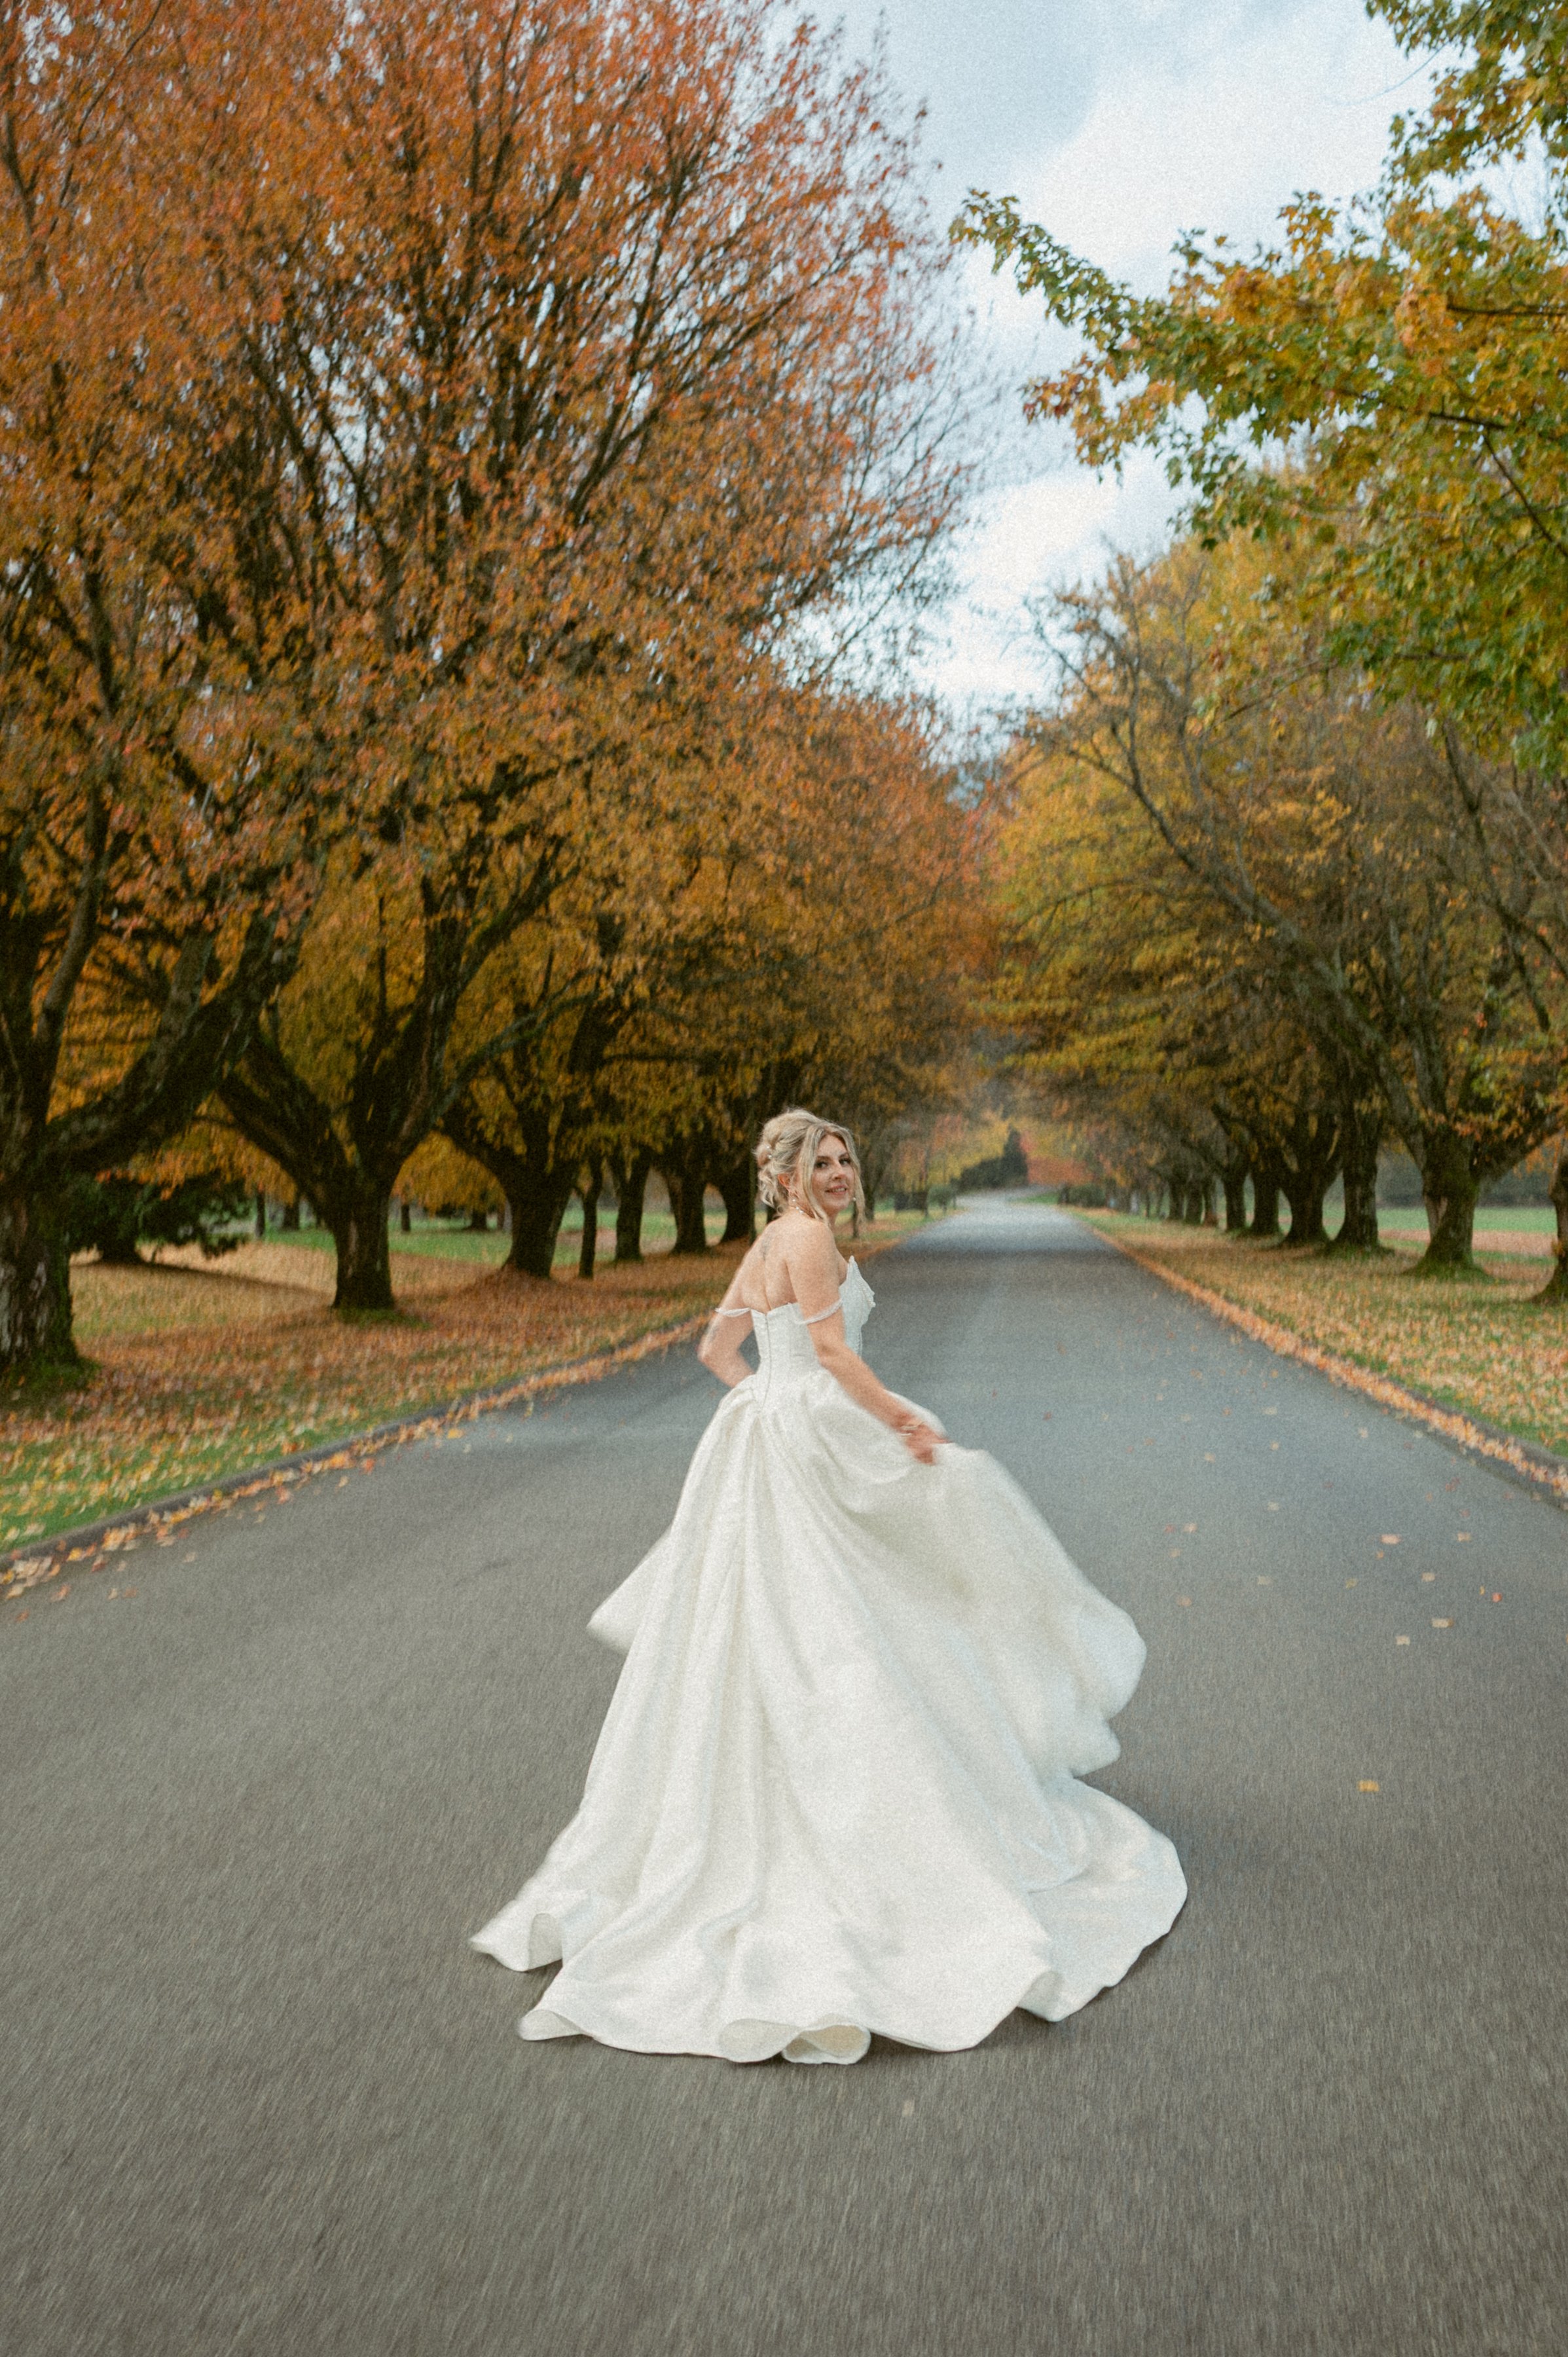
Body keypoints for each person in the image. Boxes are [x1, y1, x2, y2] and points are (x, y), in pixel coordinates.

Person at [470, 1108, 1186, 2064]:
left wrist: (766, 1408)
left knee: (794, 1638)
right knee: (859, 1629)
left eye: (848, 1157)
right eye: (824, 1159)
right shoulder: (804, 1238)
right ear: (788, 1172)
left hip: (768, 1443)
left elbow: (721, 1355)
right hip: (811, 1443)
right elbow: (836, 1357)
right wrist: (899, 1424)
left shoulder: (771, 1238)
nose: (841, 1171)